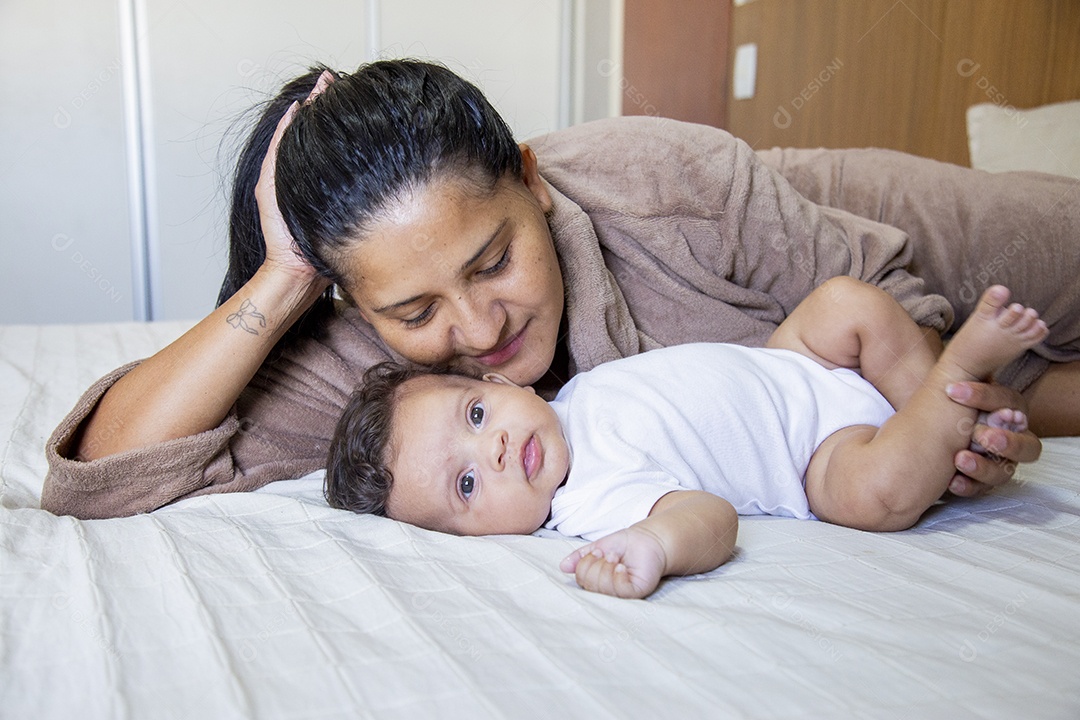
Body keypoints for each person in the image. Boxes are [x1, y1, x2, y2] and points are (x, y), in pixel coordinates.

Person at [41, 60, 1077, 520]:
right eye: (415, 309)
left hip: (845, 223)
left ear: (532, 182)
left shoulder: (664, 178)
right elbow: (100, 473)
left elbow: (894, 301)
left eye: (494, 261)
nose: (477, 327)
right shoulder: (361, 357)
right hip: (848, 373)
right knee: (1038, 397)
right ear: (355, 304)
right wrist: (284, 273)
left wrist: (940, 411)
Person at [322, 280, 1047, 599]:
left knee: (844, 302)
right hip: (816, 453)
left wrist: (798, 361)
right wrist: (656, 546)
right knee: (874, 494)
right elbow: (713, 517)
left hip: (795, 361)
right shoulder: (591, 503)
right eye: (468, 485)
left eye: (475, 417)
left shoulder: (571, 397)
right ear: (472, 539)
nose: (497, 451)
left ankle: (937, 408)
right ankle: (957, 381)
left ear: (501, 385)